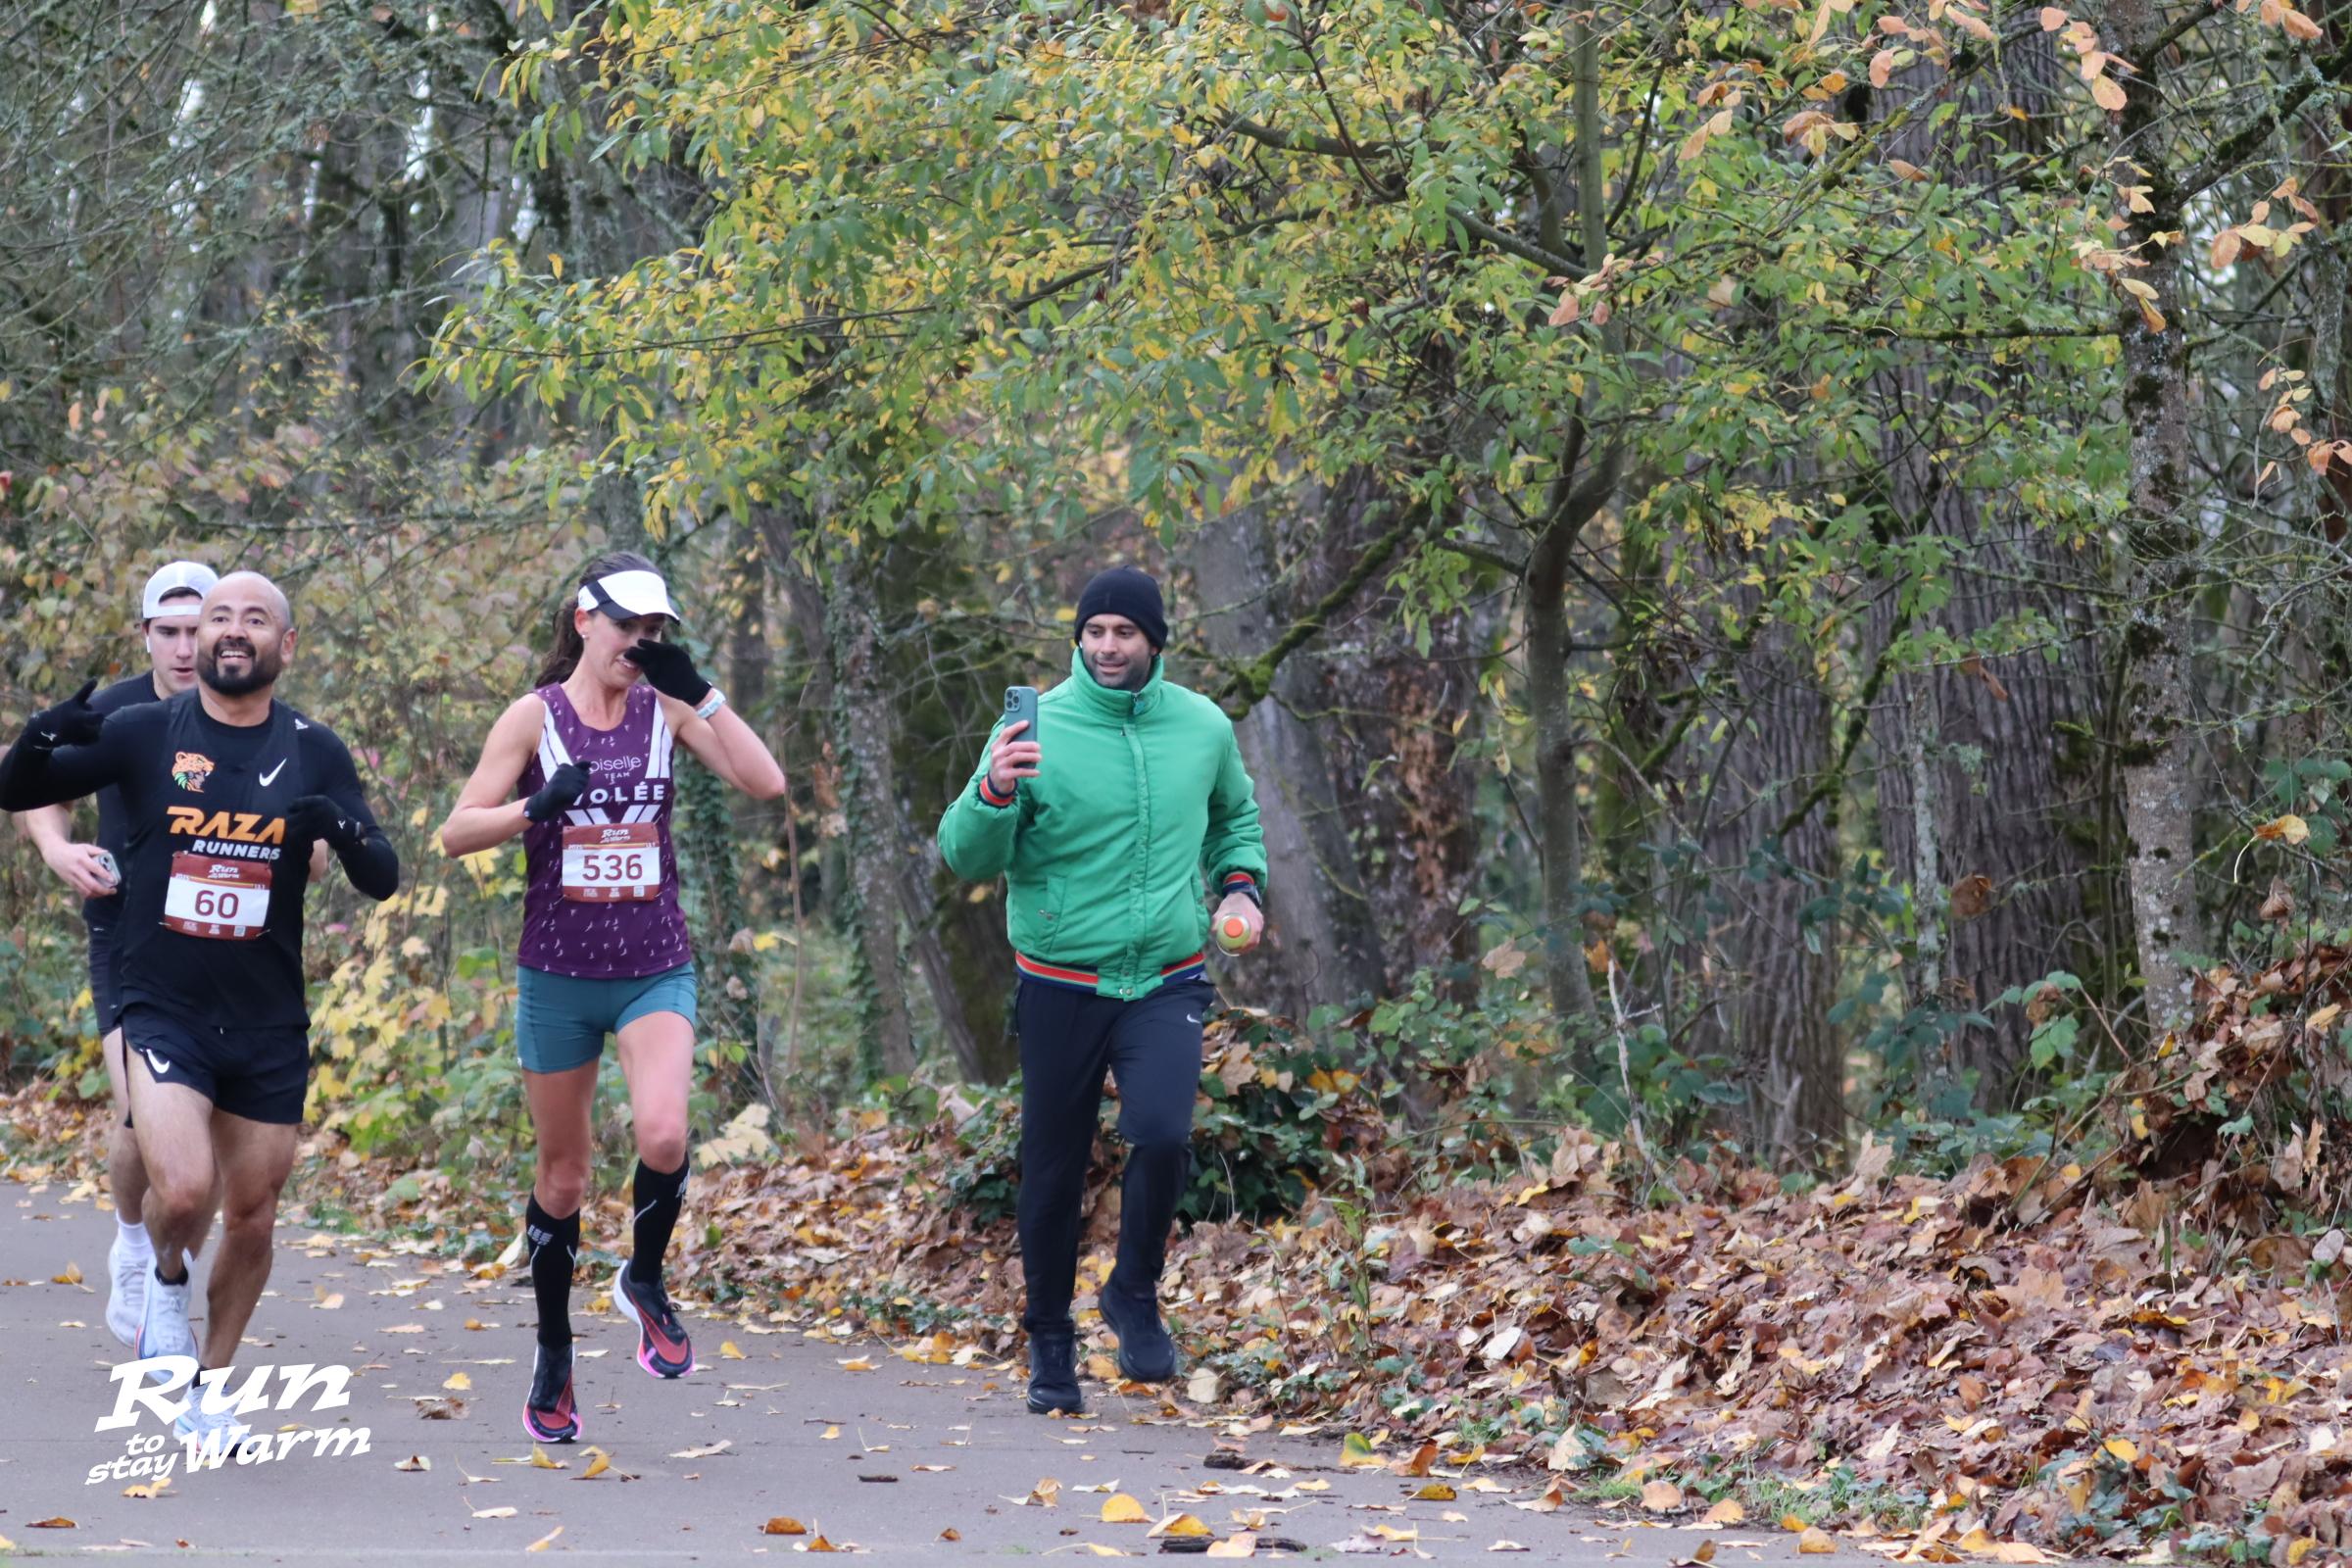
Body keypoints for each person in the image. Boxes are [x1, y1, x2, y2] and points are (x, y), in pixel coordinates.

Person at [0, 571, 400, 1445]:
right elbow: (15, 787)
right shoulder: (146, 730)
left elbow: (382, 875)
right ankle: (164, 1280)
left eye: (254, 619)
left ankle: (208, 1388)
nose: (230, 631)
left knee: (252, 1215)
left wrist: (342, 827)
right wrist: (40, 735)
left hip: (267, 1015)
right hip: (163, 1001)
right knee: (182, 1191)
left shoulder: (315, 748)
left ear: (285, 645)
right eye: (219, 617)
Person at [437, 551, 785, 1445]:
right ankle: (554, 1351)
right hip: (557, 975)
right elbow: (454, 833)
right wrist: (534, 808)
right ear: (584, 620)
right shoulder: (534, 717)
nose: (641, 640)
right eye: (627, 624)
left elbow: (767, 783)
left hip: (652, 965)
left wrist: (702, 691)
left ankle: (644, 1277)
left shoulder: (668, 709)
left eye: (654, 628)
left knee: (664, 1133)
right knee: (564, 1176)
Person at [937, 565, 1268, 1416]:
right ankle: (1050, 1338)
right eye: (1094, 632)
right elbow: (966, 856)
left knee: (1161, 1133)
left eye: (1125, 632)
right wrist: (995, 789)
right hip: (1060, 980)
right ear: (1078, 639)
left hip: (1165, 976)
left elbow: (1234, 817)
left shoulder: (1202, 726)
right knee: (1053, 1167)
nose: (1108, 646)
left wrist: (1240, 887)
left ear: (1154, 640)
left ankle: (1133, 1290)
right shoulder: (1033, 728)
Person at [13, 562, 216, 1347]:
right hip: (125, 931)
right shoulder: (112, 711)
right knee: (137, 1113)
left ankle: (170, 1263)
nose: (185, 648)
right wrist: (57, 849)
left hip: (221, 946)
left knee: (206, 1135)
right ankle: (134, 1244)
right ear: (146, 636)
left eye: (197, 630)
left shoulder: (248, 711)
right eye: (169, 632)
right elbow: (35, 787)